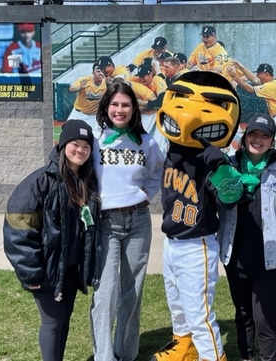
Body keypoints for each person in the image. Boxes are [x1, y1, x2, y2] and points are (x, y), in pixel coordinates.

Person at [151, 71, 242, 361]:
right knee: (177, 305)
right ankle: (184, 349)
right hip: (171, 241)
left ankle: (213, 357)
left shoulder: (212, 159)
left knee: (199, 312)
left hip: (197, 245)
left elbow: (231, 196)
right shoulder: (173, 149)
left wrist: (223, 167)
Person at [3, 119, 99, 361]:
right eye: (74, 144)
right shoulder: (39, 182)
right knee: (53, 321)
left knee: (63, 318)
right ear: (62, 145)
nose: (80, 150)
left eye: (86, 146)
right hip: (46, 270)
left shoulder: (87, 181)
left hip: (69, 269)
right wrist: (32, 273)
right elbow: (18, 230)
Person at [90, 81, 164, 361]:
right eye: (115, 104)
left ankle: (126, 352)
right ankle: (104, 355)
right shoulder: (95, 138)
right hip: (106, 223)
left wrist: (148, 194)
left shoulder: (147, 143)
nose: (120, 110)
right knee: (106, 292)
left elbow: (157, 172)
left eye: (126, 105)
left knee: (132, 292)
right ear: (106, 107)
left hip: (139, 221)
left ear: (134, 109)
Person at [217, 113, 276, 361]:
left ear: (272, 141)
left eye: (264, 135)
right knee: (243, 314)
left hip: (271, 259)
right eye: (253, 133)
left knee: (265, 318)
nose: (258, 139)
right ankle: (246, 357)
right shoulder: (228, 165)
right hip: (235, 256)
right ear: (245, 136)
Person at [229, 62, 276, 153]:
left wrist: (236, 78)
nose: (258, 76)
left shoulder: (271, 86)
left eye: (259, 74)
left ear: (266, 74)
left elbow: (251, 89)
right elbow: (255, 80)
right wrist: (241, 66)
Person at [67, 63, 107, 129]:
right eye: (98, 71)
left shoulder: (106, 83)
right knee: (68, 130)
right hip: (78, 113)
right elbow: (70, 89)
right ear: (93, 73)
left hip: (93, 116)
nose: (100, 73)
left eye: (102, 71)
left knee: (95, 136)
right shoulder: (85, 80)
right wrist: (80, 87)